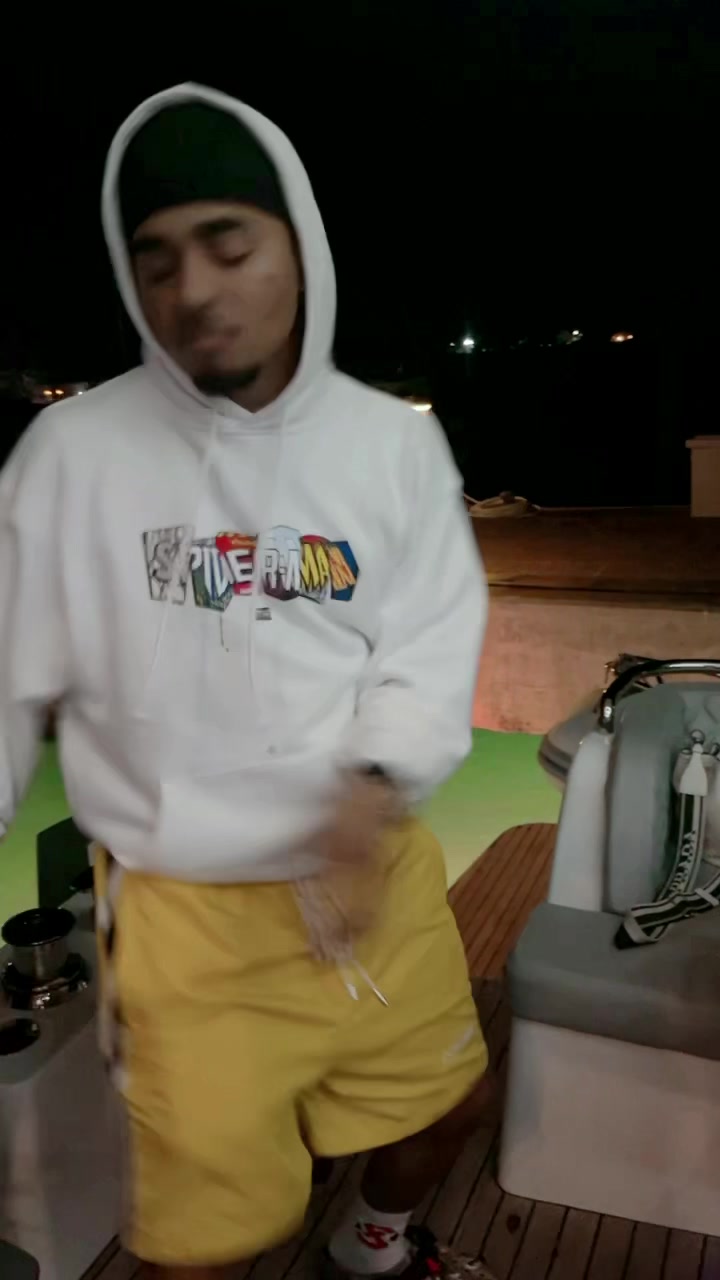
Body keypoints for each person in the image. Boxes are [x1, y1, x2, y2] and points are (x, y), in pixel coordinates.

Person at [0, 85, 493, 1280]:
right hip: (186, 919)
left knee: (445, 1112)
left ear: (298, 248)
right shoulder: (73, 455)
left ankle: (371, 1245)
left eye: (230, 244)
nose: (195, 289)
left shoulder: (390, 445)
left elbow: (430, 638)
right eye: (158, 258)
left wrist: (375, 780)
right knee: (205, 1246)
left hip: (374, 881)